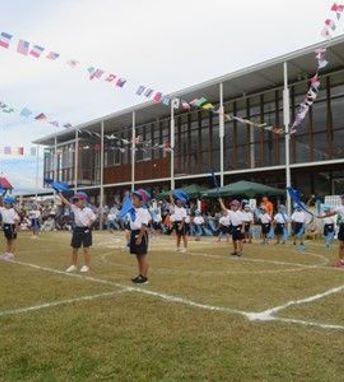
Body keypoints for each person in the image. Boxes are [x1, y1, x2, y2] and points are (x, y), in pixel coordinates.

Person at [57, 192, 96, 273]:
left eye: (76, 200)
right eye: (74, 200)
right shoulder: (75, 208)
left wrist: (90, 223)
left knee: (86, 248)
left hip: (86, 230)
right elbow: (65, 201)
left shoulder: (88, 210)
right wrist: (59, 193)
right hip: (77, 229)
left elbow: (94, 217)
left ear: (83, 200)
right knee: (75, 248)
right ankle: (73, 265)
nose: (75, 202)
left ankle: (87, 266)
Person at [128, 189, 151, 284]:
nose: (133, 200)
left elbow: (144, 225)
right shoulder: (133, 211)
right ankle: (140, 274)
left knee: (142, 256)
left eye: (135, 198)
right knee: (138, 256)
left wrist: (140, 237)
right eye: (132, 198)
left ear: (141, 201)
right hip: (134, 233)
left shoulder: (144, 211)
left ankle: (144, 277)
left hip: (140, 233)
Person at [317, 196, 344, 267]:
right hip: (343, 226)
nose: (342, 200)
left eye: (342, 199)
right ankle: (341, 261)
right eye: (342, 199)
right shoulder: (340, 208)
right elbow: (331, 213)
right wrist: (322, 216)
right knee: (341, 245)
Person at [0, 196, 20, 261]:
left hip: (11, 226)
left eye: (6, 203)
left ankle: (11, 254)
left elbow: (16, 220)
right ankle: (7, 252)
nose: (5, 204)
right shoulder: (3, 209)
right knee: (8, 240)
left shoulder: (13, 211)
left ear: (11, 204)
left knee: (12, 240)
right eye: (4, 203)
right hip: (6, 226)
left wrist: (16, 229)